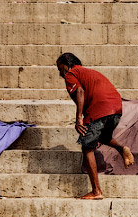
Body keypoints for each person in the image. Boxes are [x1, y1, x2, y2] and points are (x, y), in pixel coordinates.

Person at [56, 52, 133, 200]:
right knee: (102, 137)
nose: (60, 72)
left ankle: (96, 191)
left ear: (68, 65)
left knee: (87, 147)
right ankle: (121, 148)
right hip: (116, 107)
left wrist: (79, 119)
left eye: (60, 68)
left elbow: (80, 91)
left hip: (100, 108)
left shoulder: (71, 73)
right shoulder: (89, 72)